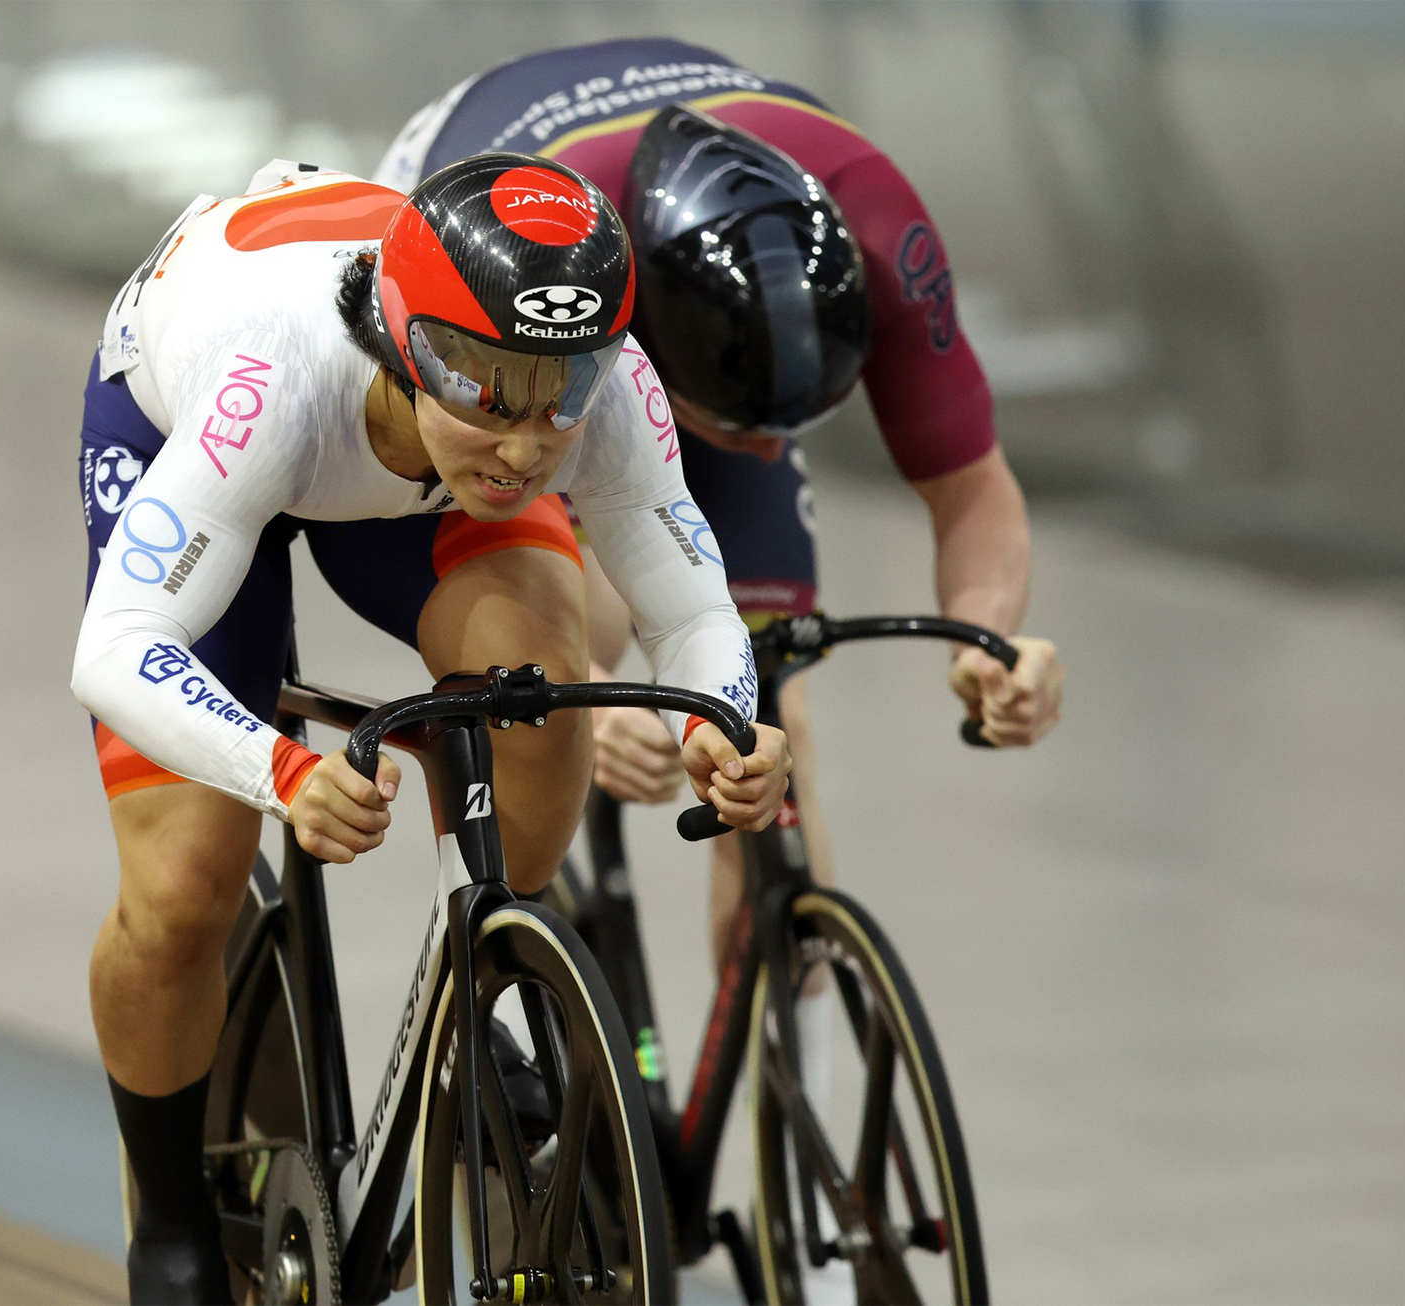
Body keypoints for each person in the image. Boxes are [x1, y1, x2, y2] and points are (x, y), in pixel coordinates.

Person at [70, 153, 789, 1303]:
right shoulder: (268, 375)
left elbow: (691, 607)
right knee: (184, 886)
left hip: (408, 475)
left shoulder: (588, 387)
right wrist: (278, 768)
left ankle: (492, 973)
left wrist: (729, 722)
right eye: (485, 388)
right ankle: (168, 1225)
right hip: (203, 432)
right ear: (408, 343)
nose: (525, 441)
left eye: (562, 394)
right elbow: (114, 646)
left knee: (540, 689)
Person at [378, 38, 1066, 970]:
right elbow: (530, 526)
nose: (766, 450)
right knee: (561, 635)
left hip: (687, 257)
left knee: (771, 715)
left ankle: (788, 1054)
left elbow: (972, 485)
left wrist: (986, 641)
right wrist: (595, 698)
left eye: (795, 425)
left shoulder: (877, 223)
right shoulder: (560, 261)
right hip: (508, 275)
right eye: (734, 429)